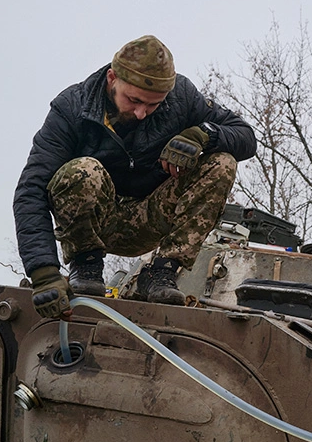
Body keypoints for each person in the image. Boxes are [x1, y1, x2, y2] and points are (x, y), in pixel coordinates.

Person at [14, 35, 256, 319]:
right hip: (95, 222)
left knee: (222, 162)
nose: (142, 113)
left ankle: (161, 273)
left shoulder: (183, 97)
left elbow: (246, 137)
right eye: (134, 100)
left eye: (153, 105)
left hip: (151, 215)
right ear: (112, 77)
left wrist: (203, 134)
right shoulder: (71, 108)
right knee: (82, 170)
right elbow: (31, 190)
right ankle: (86, 267)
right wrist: (43, 272)